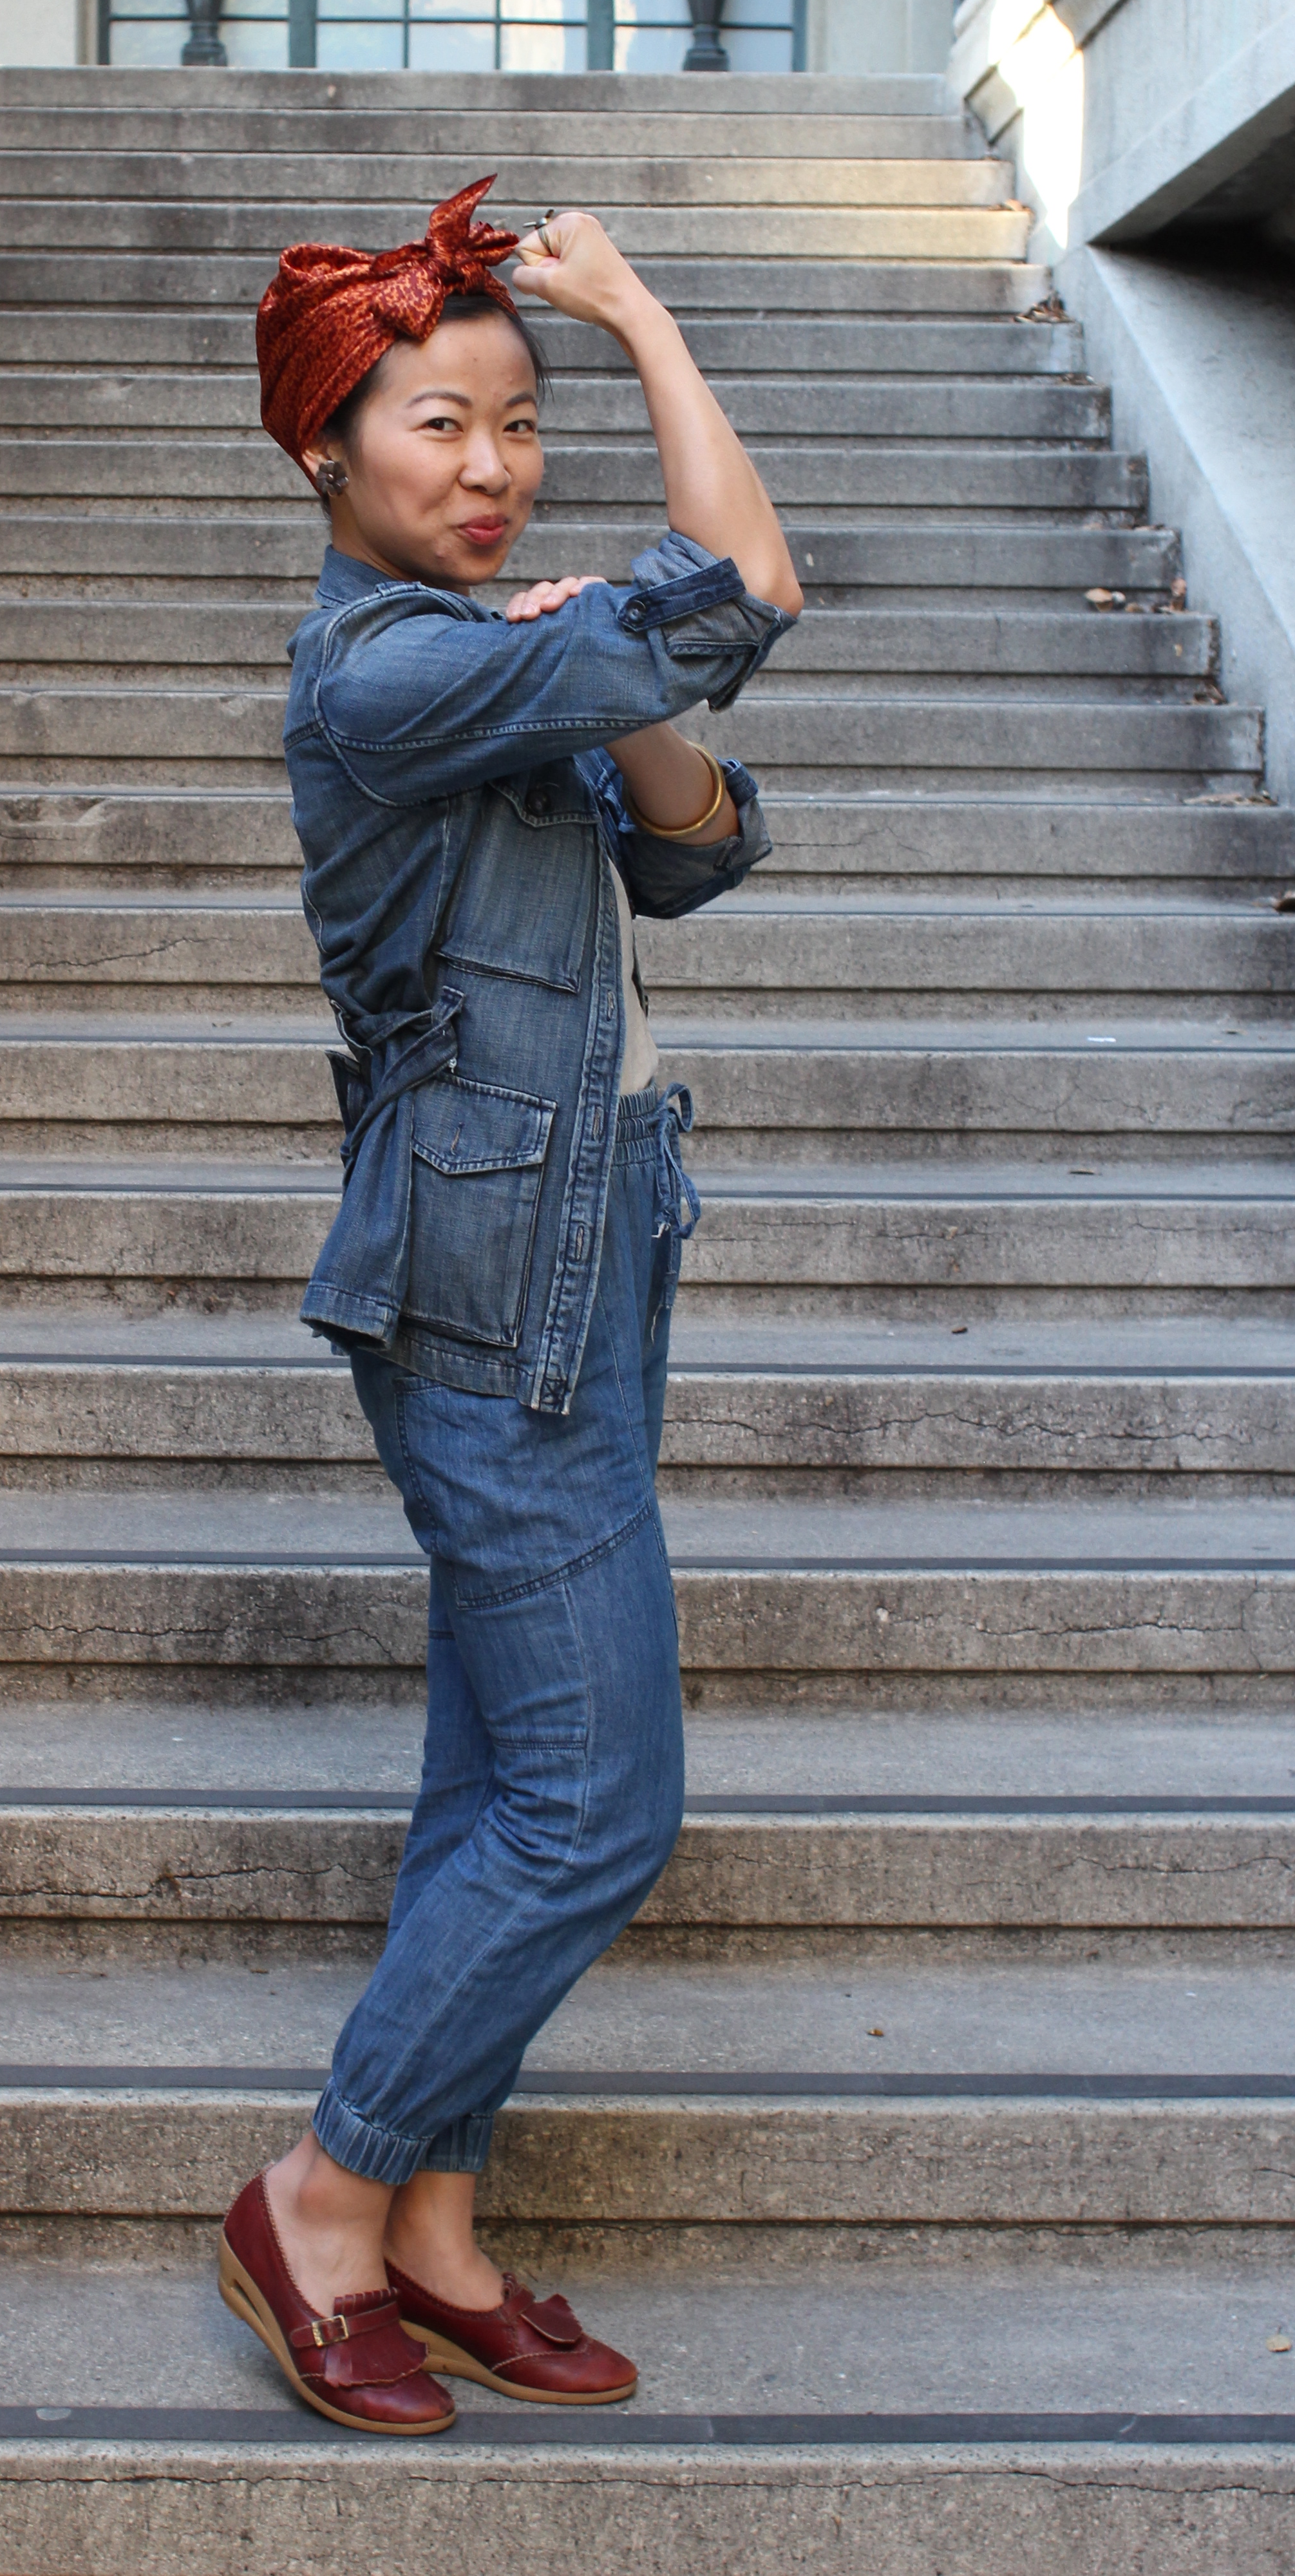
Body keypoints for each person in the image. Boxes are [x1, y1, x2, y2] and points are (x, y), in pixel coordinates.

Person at [220, 177, 802, 2436]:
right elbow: (748, 588)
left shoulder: (487, 649)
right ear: (328, 450)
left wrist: (611, 663)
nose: (491, 468)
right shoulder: (386, 670)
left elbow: (696, 844)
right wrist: (637, 316)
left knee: (497, 1773)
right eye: (440, 425)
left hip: (594, 1228)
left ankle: (440, 2231)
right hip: (486, 1277)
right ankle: (325, 2194)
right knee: (595, 1804)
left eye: (521, 422)